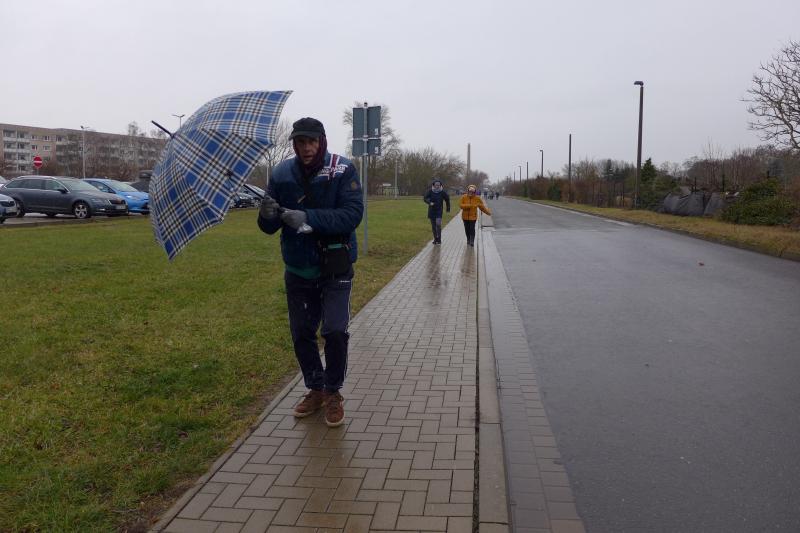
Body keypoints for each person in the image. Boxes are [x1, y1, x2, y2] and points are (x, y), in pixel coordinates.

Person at [257, 117, 364, 427]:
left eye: (312, 141)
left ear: (322, 141)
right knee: (302, 333)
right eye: (301, 142)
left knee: (334, 331)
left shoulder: (343, 169)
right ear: (294, 144)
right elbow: (269, 227)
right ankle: (315, 388)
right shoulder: (280, 174)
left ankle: (333, 392)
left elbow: (352, 215)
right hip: (298, 268)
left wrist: (307, 217)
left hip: (335, 266)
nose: (306, 148)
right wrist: (266, 216)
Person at [423, 178, 450, 245]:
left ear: (440, 185)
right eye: (436, 185)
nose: (437, 186)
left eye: (438, 185)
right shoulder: (430, 191)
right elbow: (425, 198)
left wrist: (448, 208)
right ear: (433, 185)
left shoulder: (442, 192)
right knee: (433, 226)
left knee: (438, 224)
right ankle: (435, 239)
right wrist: (430, 202)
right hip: (432, 210)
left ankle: (439, 239)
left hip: (439, 210)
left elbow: (447, 199)